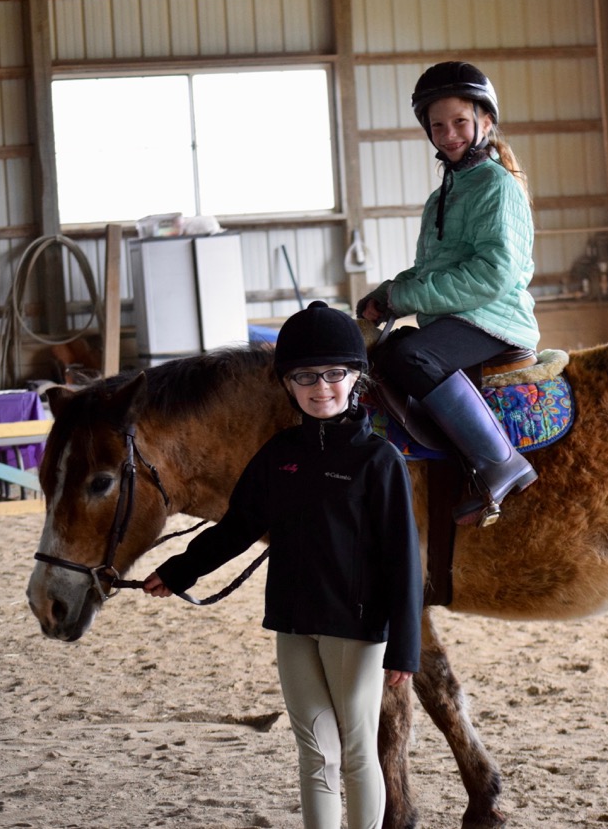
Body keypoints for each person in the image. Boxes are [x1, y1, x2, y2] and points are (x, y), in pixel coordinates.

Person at [142, 301, 422, 829]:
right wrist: (181, 570)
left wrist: (404, 646)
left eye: (334, 374)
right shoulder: (277, 455)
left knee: (359, 750)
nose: (322, 387)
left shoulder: (379, 462)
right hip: (293, 625)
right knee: (315, 751)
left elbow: (403, 561)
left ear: (355, 378)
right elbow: (238, 526)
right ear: (287, 384)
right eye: (306, 376)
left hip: (356, 630)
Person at [357, 60, 539, 527]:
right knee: (391, 351)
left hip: (494, 318)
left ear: (485, 122)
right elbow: (429, 269)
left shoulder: (497, 185)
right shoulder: (442, 196)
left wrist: (405, 298)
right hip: (458, 320)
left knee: (411, 357)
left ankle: (499, 462)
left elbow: (492, 275)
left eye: (460, 122)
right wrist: (387, 293)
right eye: (438, 126)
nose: (449, 134)